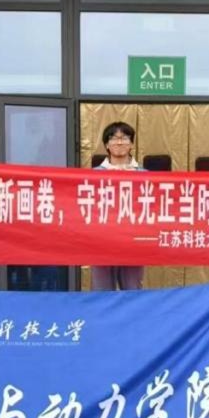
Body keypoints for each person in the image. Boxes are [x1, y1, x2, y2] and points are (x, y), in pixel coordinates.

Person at [91, 121, 145, 291]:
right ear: (106, 145)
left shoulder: (145, 175)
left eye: (125, 138)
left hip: (133, 242)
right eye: (114, 138)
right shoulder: (92, 175)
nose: (119, 142)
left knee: (132, 291)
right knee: (102, 292)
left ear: (132, 144)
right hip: (101, 242)